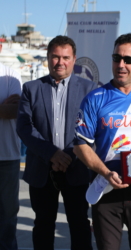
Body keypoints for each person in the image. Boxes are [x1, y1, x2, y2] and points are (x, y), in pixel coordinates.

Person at [73, 33, 131, 250]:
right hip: (106, 187)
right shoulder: (94, 99)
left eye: (129, 60)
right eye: (117, 58)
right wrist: (105, 172)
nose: (121, 65)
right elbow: (80, 145)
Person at [16, 35, 97, 250]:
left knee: (79, 224)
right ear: (48, 57)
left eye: (65, 57)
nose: (60, 62)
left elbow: (92, 128)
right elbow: (24, 127)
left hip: (77, 167)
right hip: (42, 169)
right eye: (55, 57)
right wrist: (52, 153)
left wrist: (69, 154)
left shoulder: (89, 89)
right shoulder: (31, 88)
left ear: (74, 59)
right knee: (43, 225)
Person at [0, 42, 22, 250]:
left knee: (7, 217)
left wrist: (8, 109)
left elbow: (15, 112)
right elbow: (5, 111)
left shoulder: (11, 76)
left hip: (7, 158)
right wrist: (3, 107)